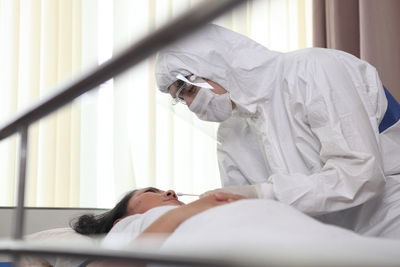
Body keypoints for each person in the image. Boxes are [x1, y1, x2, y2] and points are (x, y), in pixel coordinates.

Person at [155, 24, 400, 238]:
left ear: (216, 63)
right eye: (179, 99)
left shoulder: (313, 70)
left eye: (188, 90)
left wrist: (263, 193)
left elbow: (361, 174)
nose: (189, 104)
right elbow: (245, 213)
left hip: (388, 219)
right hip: (328, 240)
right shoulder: (231, 133)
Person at [72, 187, 400, 267]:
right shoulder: (127, 227)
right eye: (151, 191)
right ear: (121, 218)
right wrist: (180, 215)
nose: (168, 191)